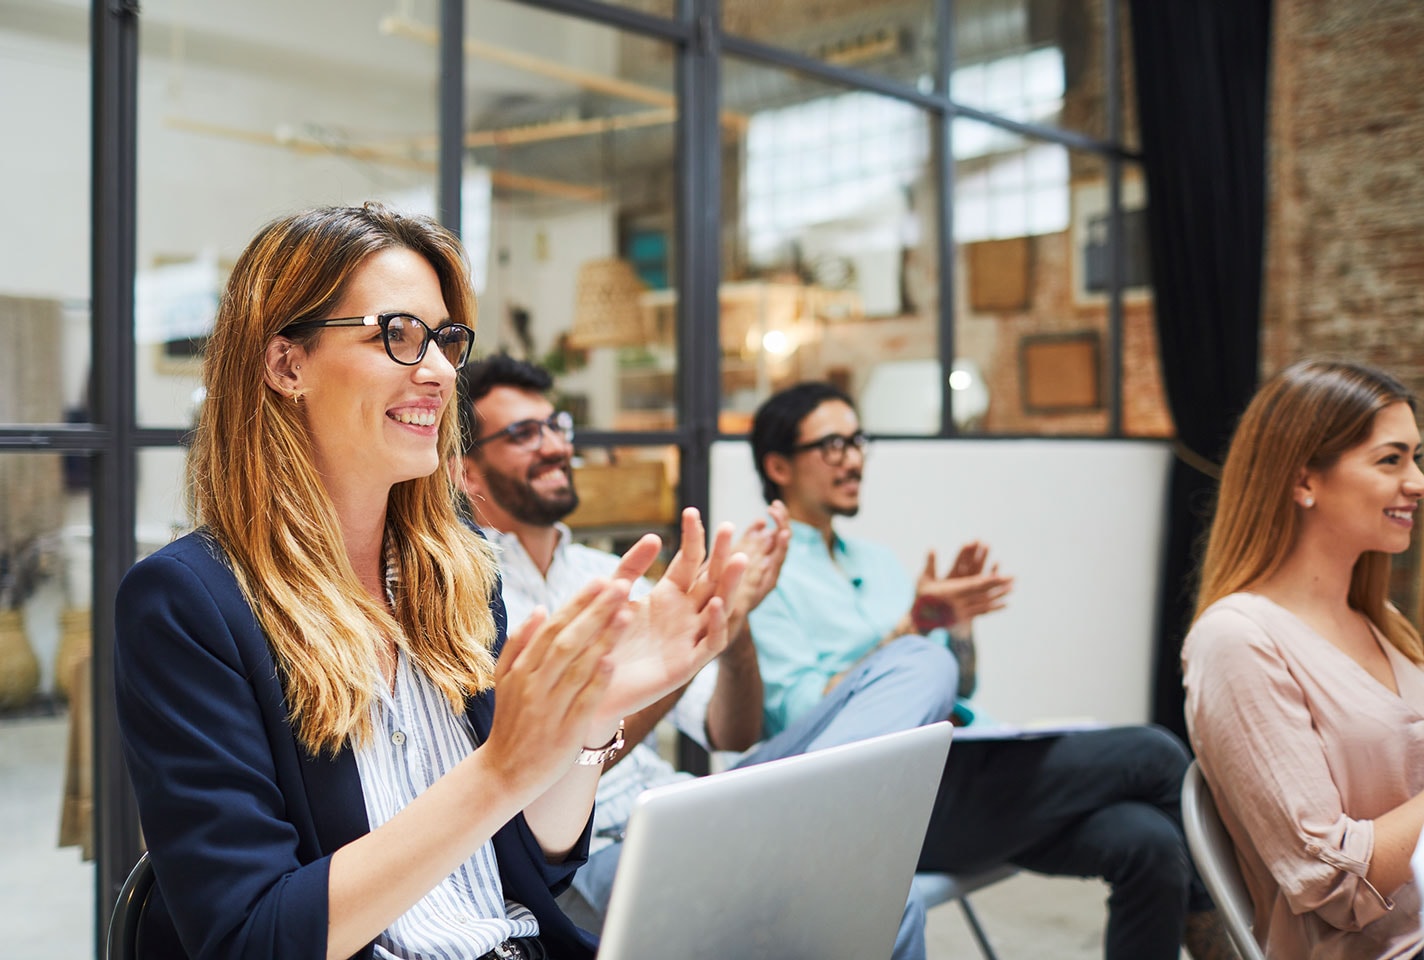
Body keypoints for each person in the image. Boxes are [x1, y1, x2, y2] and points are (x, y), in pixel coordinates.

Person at [113, 202, 746, 960]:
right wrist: (499, 771)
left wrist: (596, 714)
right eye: (399, 335)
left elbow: (540, 855)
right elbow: (253, 937)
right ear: (287, 364)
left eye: (445, 340)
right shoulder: (188, 604)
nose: (443, 372)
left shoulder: (459, 570)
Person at [453, 354, 962, 960]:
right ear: (466, 472)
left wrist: (732, 620)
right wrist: (678, 659)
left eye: (556, 426)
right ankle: (817, 839)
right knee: (884, 903)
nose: (554, 446)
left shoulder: (619, 575)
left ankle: (813, 828)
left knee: (922, 662)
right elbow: (534, 776)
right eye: (522, 434)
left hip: (685, 808)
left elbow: (731, 730)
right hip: (581, 865)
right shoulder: (464, 595)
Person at [747, 381, 1230, 960]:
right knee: (1154, 755)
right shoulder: (764, 577)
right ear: (778, 465)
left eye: (857, 440)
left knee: (1147, 843)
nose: (853, 459)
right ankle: (1222, 947)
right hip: (882, 802)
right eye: (831, 445)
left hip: (963, 768)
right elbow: (804, 718)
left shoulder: (873, 560)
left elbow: (961, 683)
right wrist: (909, 629)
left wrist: (955, 629)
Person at [1184, 359, 1424, 960]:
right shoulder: (1236, 641)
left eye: (1416, 457)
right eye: (1391, 459)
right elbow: (1334, 884)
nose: (1417, 480)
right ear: (1303, 482)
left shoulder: (1382, 620)